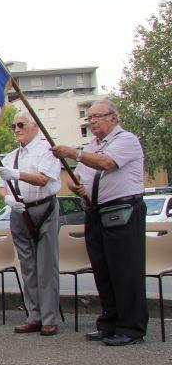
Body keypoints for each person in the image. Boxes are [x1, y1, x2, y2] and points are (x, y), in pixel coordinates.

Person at [53, 99, 147, 346]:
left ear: (113, 118)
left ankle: (131, 326)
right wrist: (76, 186)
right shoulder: (92, 146)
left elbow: (106, 163)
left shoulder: (125, 140)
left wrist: (74, 153)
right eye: (89, 118)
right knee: (103, 270)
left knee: (124, 269)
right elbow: (84, 178)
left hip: (122, 209)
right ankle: (110, 322)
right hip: (96, 211)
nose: (92, 121)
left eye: (97, 116)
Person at [0, 113, 62, 336]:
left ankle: (49, 318)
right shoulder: (11, 156)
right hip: (20, 210)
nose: (16, 129)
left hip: (43, 207)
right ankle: (34, 315)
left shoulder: (47, 150)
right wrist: (7, 198)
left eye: (21, 124)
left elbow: (43, 178)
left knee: (46, 266)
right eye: (13, 125)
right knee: (27, 266)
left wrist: (16, 174)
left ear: (34, 125)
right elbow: (2, 185)